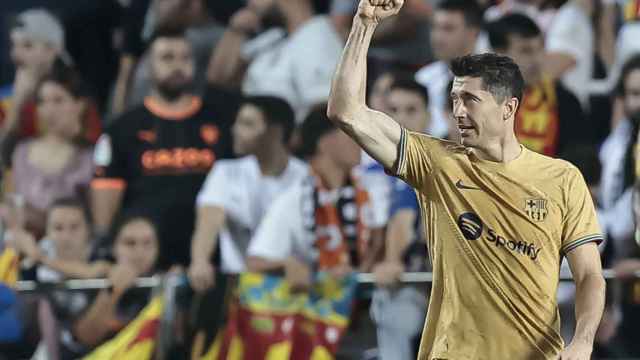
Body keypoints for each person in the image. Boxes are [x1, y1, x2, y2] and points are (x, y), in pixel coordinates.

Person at [327, 1, 605, 359]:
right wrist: (364, 24)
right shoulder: (436, 164)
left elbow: (589, 276)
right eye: (454, 99)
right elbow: (346, 111)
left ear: (509, 108)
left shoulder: (561, 178)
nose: (458, 111)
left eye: (471, 100)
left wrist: (582, 340)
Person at [91, 27, 233, 270]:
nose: (177, 65)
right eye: (167, 57)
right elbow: (106, 195)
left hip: (212, 258)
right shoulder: (123, 128)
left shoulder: (220, 120)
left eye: (184, 58)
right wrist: (105, 248)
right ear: (148, 65)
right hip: (146, 261)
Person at [246, 106, 376, 287]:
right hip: (318, 303)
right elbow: (255, 262)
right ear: (324, 142)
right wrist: (288, 265)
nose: (360, 140)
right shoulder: (294, 198)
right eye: (350, 132)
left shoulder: (372, 188)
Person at [188, 96, 308, 291]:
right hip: (241, 289)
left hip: (296, 287)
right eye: (237, 122)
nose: (235, 130)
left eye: (247, 124)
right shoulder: (226, 172)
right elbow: (209, 220)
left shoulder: (306, 177)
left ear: (274, 132)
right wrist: (200, 260)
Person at [369, 75, 431, 360]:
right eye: (394, 111)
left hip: (432, 278)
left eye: (411, 110)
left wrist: (393, 258)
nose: (401, 120)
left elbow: (403, 221)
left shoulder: (431, 162)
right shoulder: (363, 167)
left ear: (429, 115)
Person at [207, 0, 344, 121]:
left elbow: (328, 115)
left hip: (290, 148)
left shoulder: (316, 36)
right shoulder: (274, 37)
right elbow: (219, 78)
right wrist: (236, 30)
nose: (249, 2)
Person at [0, 9, 101, 164]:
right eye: (14, 45)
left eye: (27, 46)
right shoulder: (4, 100)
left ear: (52, 50)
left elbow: (91, 157)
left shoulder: (75, 96)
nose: (15, 55)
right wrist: (17, 105)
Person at [488, 13, 590, 157]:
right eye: (526, 51)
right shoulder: (475, 100)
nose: (537, 60)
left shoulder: (565, 101)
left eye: (540, 49)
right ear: (498, 54)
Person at [11, 68, 95, 237]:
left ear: (79, 105)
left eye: (58, 100)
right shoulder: (21, 151)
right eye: (42, 102)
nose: (49, 110)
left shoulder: (91, 158)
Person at [414, 0, 483, 138]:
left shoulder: (493, 77)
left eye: (448, 28)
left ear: (473, 33)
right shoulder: (423, 78)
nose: (437, 37)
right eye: (434, 27)